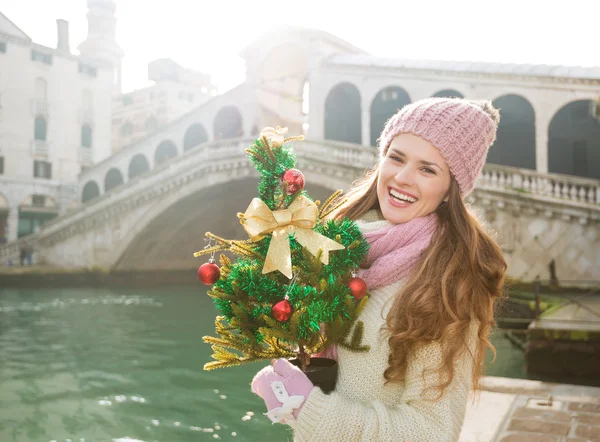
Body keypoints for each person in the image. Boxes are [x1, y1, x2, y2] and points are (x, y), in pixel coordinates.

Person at [251, 97, 507, 441]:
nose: (402, 178)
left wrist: (307, 406)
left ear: (451, 190)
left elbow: (433, 431)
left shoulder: (448, 283)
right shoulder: (337, 243)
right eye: (396, 157)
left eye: (428, 169)